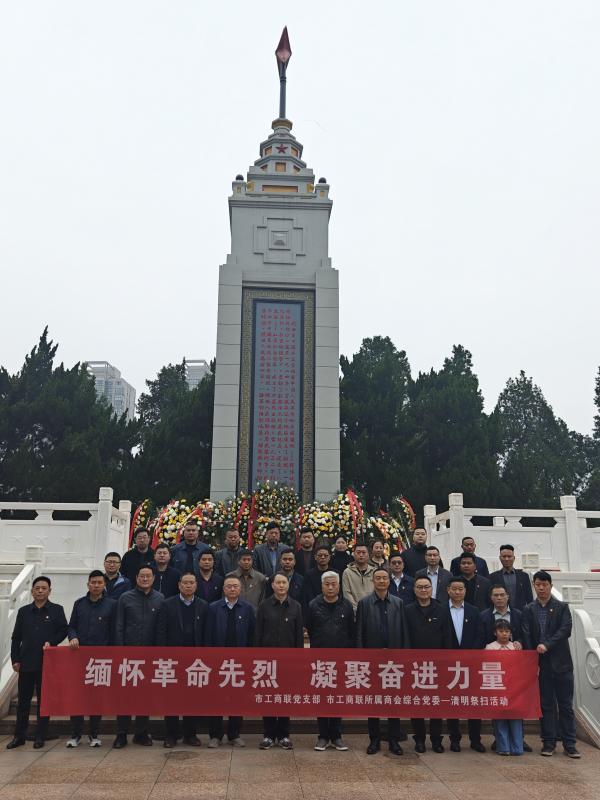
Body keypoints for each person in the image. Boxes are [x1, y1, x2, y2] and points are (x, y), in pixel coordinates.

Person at [522, 570, 580, 758]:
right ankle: (548, 743)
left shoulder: (562, 607)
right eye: (538, 584)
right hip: (542, 666)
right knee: (546, 706)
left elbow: (565, 630)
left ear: (551, 586)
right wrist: (532, 659)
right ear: (534, 586)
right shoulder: (529, 609)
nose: (541, 588)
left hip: (562, 665)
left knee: (565, 706)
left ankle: (570, 744)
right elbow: (526, 634)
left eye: (544, 584)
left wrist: (547, 645)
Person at [7, 576, 68, 750]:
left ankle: (40, 736)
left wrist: (52, 642)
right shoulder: (24, 611)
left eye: (44, 588)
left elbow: (64, 630)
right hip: (26, 663)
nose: (40, 591)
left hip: (46, 664)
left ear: (49, 591)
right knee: (23, 703)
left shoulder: (57, 610)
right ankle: (19, 736)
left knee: (44, 702)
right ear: (32, 591)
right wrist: (15, 659)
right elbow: (16, 638)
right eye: (37, 588)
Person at [356, 568, 409, 755]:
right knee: (373, 701)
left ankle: (394, 740)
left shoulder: (398, 602)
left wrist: (404, 656)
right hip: (372, 660)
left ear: (389, 581)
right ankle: (374, 740)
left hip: (394, 661)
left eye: (384, 578)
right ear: (373, 581)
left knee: (393, 701)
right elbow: (359, 631)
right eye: (377, 578)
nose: (381, 581)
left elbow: (404, 631)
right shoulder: (364, 603)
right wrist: (361, 657)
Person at [113, 565, 165, 748]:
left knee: (145, 696)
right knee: (125, 696)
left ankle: (141, 733)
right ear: (136, 578)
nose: (145, 579)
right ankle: (121, 734)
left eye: (148, 576)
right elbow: (119, 626)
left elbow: (161, 628)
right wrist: (120, 651)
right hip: (128, 656)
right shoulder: (125, 598)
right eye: (142, 576)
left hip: (150, 656)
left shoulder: (160, 599)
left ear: (153, 578)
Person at [158, 572, 209, 748]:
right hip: (173, 660)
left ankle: (190, 734)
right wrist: (163, 655)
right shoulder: (167, 604)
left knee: (192, 698)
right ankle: (171, 734)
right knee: (171, 697)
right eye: (185, 583)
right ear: (179, 585)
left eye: (191, 583)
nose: (188, 586)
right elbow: (161, 631)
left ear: (196, 585)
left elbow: (206, 633)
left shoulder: (203, 605)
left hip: (195, 660)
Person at [66, 570, 116, 748]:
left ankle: (94, 734)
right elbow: (71, 626)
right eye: (93, 582)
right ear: (88, 584)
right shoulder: (79, 603)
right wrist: (73, 637)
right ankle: (75, 734)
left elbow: (114, 631)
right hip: (79, 657)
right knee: (77, 696)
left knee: (96, 697)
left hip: (101, 660)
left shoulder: (112, 605)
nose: (96, 585)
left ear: (104, 585)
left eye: (99, 583)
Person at [305, 571, 354, 751]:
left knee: (337, 697)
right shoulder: (313, 605)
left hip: (341, 659)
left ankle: (336, 735)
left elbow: (351, 630)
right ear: (322, 586)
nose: (331, 587)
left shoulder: (346, 606)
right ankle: (323, 736)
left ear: (339, 586)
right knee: (322, 698)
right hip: (320, 660)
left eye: (334, 584)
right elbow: (310, 629)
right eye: (327, 584)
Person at [255, 574, 304, 750]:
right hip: (267, 661)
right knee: (268, 697)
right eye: (278, 583)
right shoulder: (264, 606)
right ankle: (268, 734)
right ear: (273, 585)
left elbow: (298, 636)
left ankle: (284, 734)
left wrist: (298, 660)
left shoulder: (296, 606)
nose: (281, 585)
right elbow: (258, 633)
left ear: (288, 585)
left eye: (284, 582)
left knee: (284, 697)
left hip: (288, 661)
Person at [404, 576, 452, 753]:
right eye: (420, 587)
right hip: (414, 665)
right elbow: (405, 635)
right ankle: (419, 739)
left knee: (435, 704)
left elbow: (447, 636)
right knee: (416, 704)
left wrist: (446, 661)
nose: (423, 590)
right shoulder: (407, 610)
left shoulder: (442, 609)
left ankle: (436, 740)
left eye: (426, 587)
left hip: (437, 665)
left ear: (432, 589)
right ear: (414, 590)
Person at [206, 575, 255, 748]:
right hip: (217, 661)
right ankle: (215, 735)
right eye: (229, 586)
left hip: (240, 662)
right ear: (223, 589)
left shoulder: (247, 609)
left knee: (237, 698)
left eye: (235, 586)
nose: (232, 589)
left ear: (240, 589)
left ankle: (234, 734)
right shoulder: (213, 608)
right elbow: (208, 634)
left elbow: (252, 635)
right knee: (215, 698)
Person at [444, 576, 485, 752]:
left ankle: (475, 739)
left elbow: (480, 635)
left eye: (461, 589)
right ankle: (454, 739)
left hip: (471, 664)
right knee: (452, 702)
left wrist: (471, 655)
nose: (457, 592)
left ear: (465, 591)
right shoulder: (441, 610)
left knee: (473, 702)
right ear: (448, 590)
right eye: (454, 589)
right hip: (449, 664)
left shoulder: (474, 611)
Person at [486, 620, 524, 756]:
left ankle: (517, 748)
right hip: (497, 686)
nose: (504, 634)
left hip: (514, 688)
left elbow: (522, 666)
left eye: (507, 631)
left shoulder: (516, 647)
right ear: (495, 633)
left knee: (515, 717)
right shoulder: (489, 648)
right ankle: (503, 747)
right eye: (501, 631)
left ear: (511, 633)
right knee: (500, 717)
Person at [488, 544, 533, 611]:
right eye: (504, 556)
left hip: (521, 613)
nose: (506, 559)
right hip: (500, 613)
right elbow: (490, 598)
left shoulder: (524, 576)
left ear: (514, 558)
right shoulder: (492, 577)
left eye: (509, 556)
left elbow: (529, 598)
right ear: (500, 558)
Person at [342, 543, 376, 614]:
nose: (361, 555)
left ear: (368, 554)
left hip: (373, 610)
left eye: (363, 552)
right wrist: (357, 609)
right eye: (358, 552)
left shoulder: (375, 571)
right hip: (354, 612)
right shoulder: (347, 572)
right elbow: (347, 593)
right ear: (354, 554)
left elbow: (377, 590)